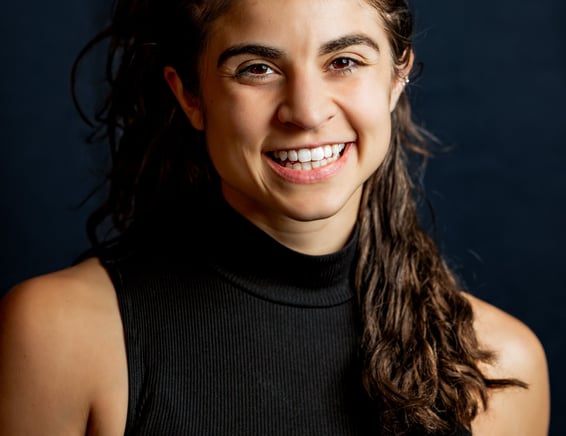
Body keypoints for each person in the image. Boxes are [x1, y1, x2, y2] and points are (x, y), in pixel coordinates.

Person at [0, 0, 550, 434]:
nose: (306, 112)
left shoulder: (500, 369)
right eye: (257, 68)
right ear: (190, 95)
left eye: (344, 61)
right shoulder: (59, 336)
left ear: (396, 76)